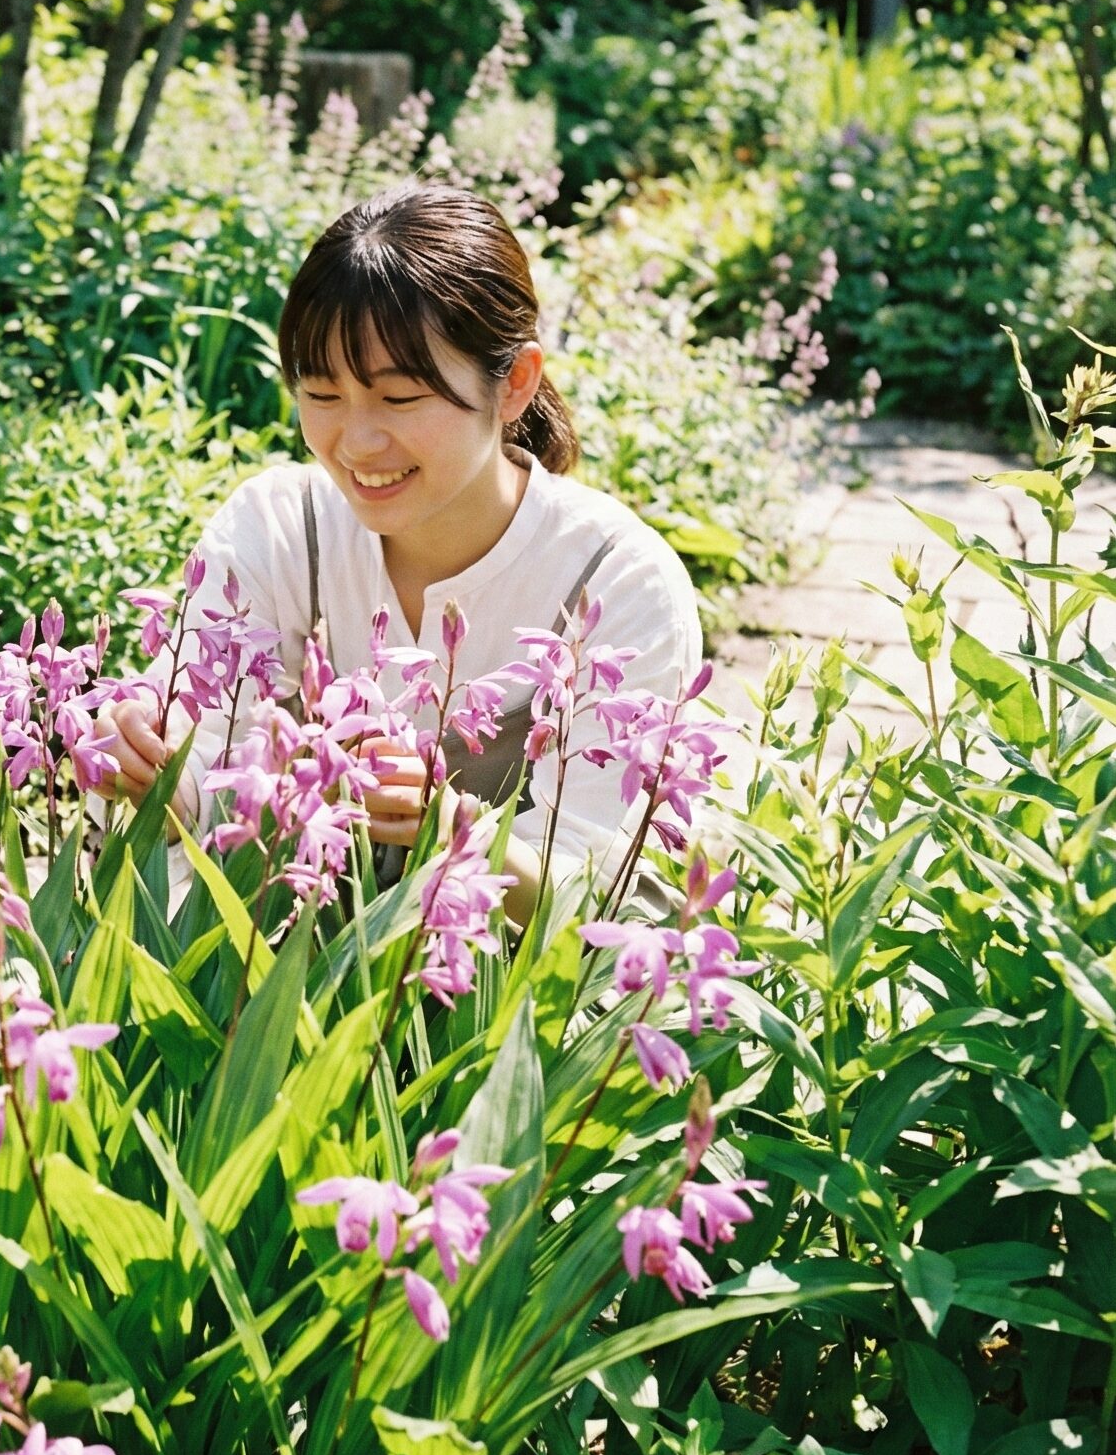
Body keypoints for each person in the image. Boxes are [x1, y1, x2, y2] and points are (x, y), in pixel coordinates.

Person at [93, 181, 704, 916]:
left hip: (510, 998)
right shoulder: (281, 527)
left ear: (513, 384)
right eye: (321, 393)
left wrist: (457, 832)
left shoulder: (614, 580)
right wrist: (146, 769)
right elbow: (206, 761)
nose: (356, 442)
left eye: (399, 397)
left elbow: (603, 885)